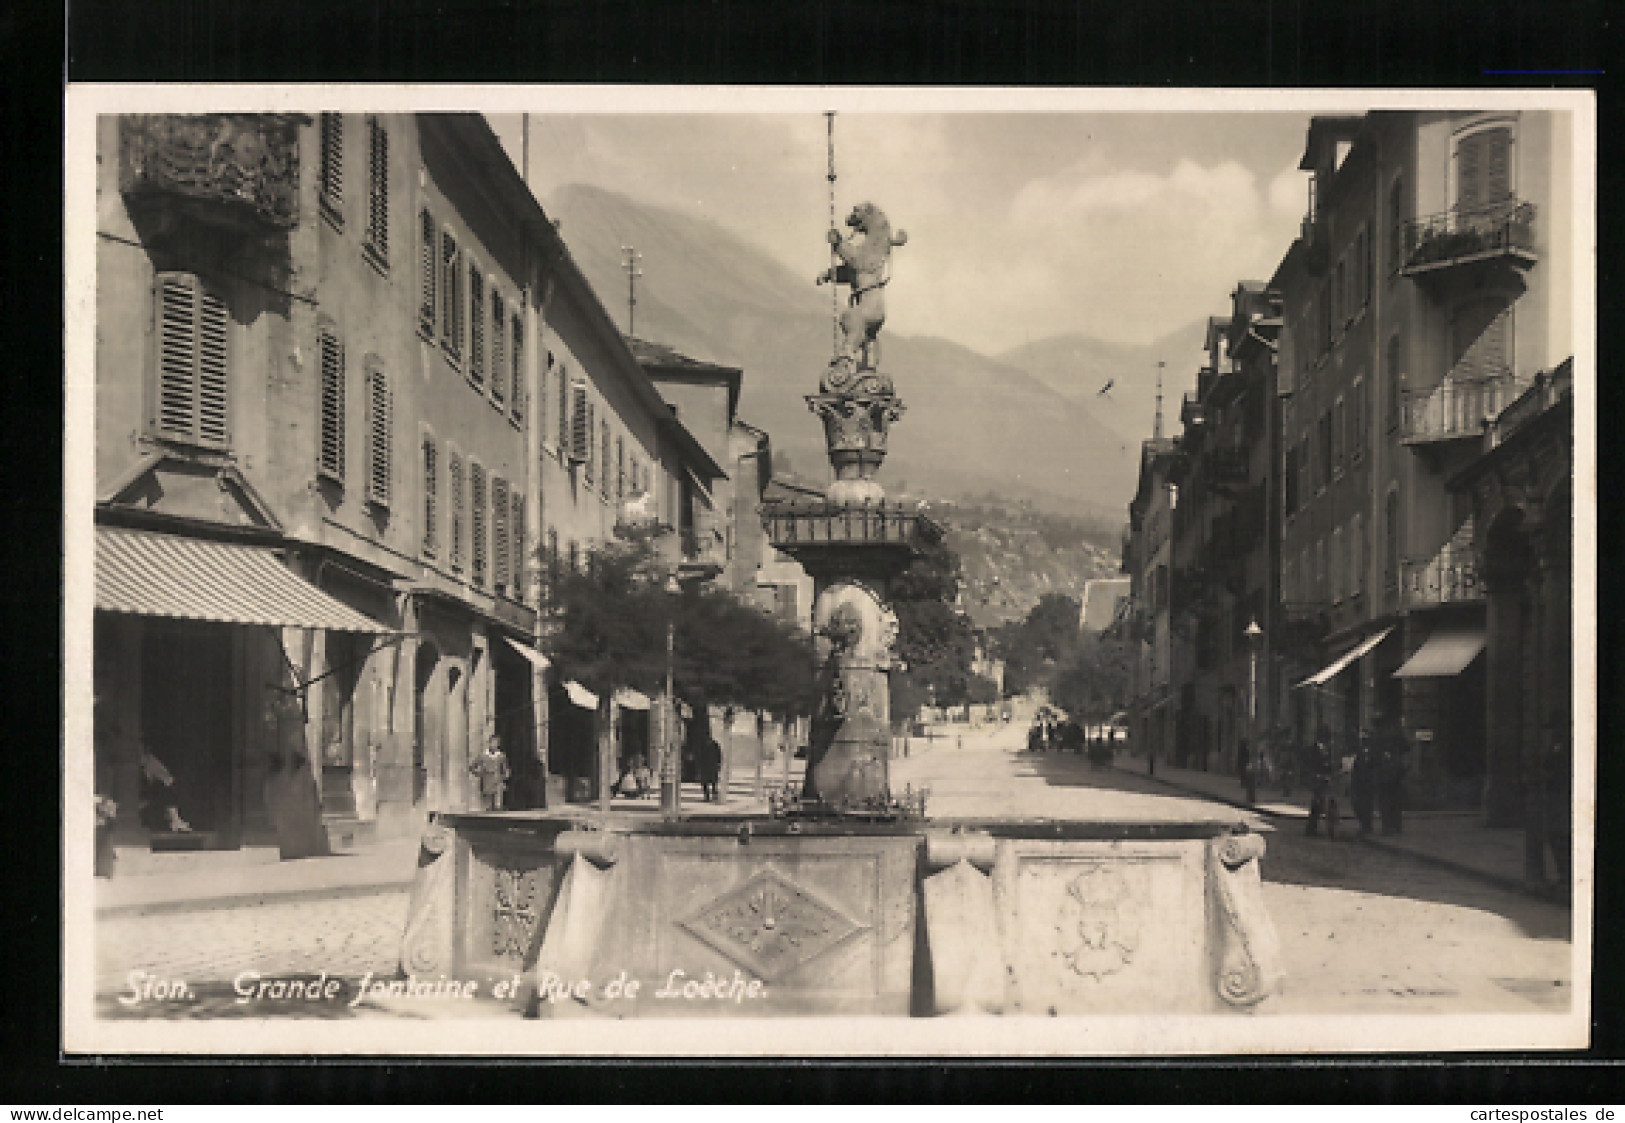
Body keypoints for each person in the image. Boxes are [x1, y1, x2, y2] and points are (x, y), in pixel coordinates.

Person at [137, 746, 190, 833]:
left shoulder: (149, 761)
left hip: (144, 799)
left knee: (164, 788)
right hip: (123, 802)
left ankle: (175, 820)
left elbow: (167, 779)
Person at [1372, 712, 1406, 835]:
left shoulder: (1378, 736)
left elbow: (1374, 757)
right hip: (1396, 773)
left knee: (1385, 801)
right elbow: (1406, 747)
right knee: (1396, 801)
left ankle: (1387, 827)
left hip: (1384, 775)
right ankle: (1396, 826)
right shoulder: (1396, 733)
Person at [1305, 724, 1338, 838]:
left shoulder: (1328, 750)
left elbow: (1329, 764)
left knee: (1323, 804)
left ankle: (1318, 828)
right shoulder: (1312, 750)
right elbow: (1309, 765)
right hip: (1316, 780)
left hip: (1326, 780)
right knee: (1317, 803)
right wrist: (1317, 775)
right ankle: (1311, 829)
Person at [469, 741, 510, 812]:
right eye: (493, 743)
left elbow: (505, 768)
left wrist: (505, 775)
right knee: (488, 802)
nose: (494, 745)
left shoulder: (501, 756)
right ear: (489, 744)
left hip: (498, 779)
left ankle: (498, 811)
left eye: (496, 744)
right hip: (487, 780)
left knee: (498, 802)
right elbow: (472, 766)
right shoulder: (483, 755)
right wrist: (479, 773)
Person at [1349, 735, 1377, 836]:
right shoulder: (1359, 756)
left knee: (1368, 806)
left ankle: (1367, 826)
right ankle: (1364, 825)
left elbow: (1375, 769)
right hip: (1360, 785)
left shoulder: (1373, 755)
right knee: (1358, 806)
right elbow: (1355, 770)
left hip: (1369, 785)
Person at [697, 732, 722, 802]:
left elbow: (718, 755)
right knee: (707, 781)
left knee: (711, 781)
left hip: (710, 765)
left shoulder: (713, 745)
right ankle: (708, 795)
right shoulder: (708, 745)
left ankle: (712, 794)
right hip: (708, 766)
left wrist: (718, 763)